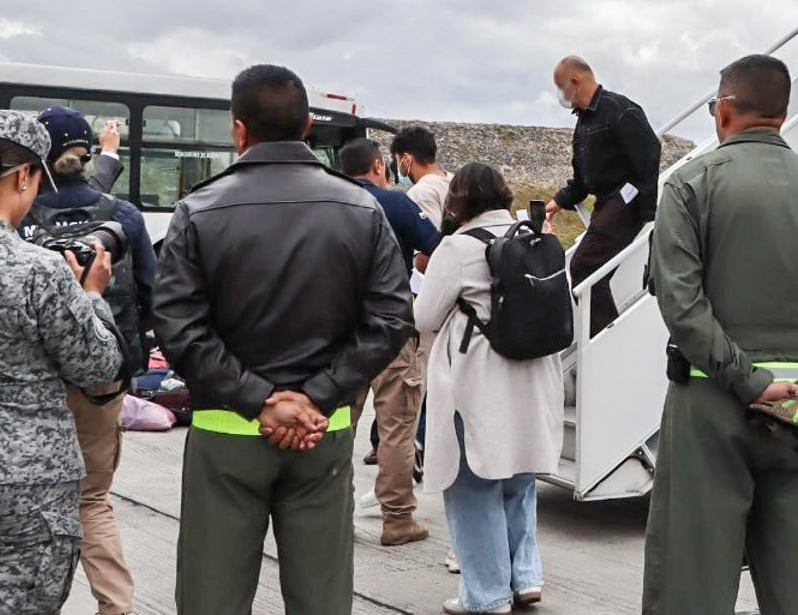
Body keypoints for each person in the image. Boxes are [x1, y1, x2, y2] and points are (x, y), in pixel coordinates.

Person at [153, 64, 414, 615]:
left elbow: (178, 326)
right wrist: (316, 396)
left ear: (238, 129)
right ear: (309, 126)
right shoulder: (360, 208)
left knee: (211, 597)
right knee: (321, 598)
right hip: (325, 432)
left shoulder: (199, 209)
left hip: (227, 430)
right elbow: (391, 318)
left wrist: (260, 400)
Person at [642, 55, 798, 615]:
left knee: (691, 580)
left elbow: (682, 303)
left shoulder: (690, 185)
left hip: (712, 402)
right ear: (784, 112)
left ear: (725, 110)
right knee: (796, 577)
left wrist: (750, 382)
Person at [24, 106, 157, 614]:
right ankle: (116, 606)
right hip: (103, 378)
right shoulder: (121, 216)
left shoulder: (21, 216)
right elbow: (150, 290)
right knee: (92, 499)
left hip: (34, 382)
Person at [417, 163, 562, 615]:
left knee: (472, 484)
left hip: (477, 379)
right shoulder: (534, 236)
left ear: (458, 202)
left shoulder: (456, 248)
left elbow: (424, 317)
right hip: (533, 375)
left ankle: (486, 594)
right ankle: (526, 579)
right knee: (518, 479)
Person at [0, 110, 124, 613]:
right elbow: (97, 366)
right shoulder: (38, 270)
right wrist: (92, 295)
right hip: (29, 478)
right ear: (24, 175)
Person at [340, 138, 440, 547]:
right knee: (397, 426)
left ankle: (332, 514)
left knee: (337, 423)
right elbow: (438, 244)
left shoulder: (330, 202)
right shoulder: (396, 204)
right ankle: (397, 519)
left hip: (338, 331)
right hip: (391, 328)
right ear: (380, 166)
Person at [545, 57, 662, 338]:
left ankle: (606, 339)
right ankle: (603, 337)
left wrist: (643, 208)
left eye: (562, 88)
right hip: (606, 203)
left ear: (576, 81)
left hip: (625, 200)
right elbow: (583, 179)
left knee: (584, 266)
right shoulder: (584, 123)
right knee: (589, 270)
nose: (562, 96)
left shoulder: (619, 110)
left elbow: (649, 152)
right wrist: (559, 201)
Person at [392, 125, 453, 237]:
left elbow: (430, 246)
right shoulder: (455, 180)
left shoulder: (420, 193)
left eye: (397, 160)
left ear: (406, 159)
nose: (397, 168)